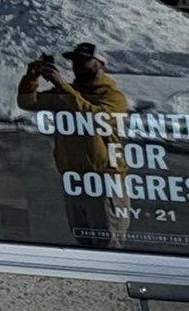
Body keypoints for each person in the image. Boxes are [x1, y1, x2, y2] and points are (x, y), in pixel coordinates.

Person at [18, 42, 131, 246]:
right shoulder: (68, 93)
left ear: (101, 63)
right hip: (73, 177)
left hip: (104, 179)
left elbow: (98, 119)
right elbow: (27, 102)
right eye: (75, 61)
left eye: (84, 61)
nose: (78, 66)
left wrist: (63, 87)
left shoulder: (113, 97)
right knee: (83, 241)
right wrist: (31, 77)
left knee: (109, 244)